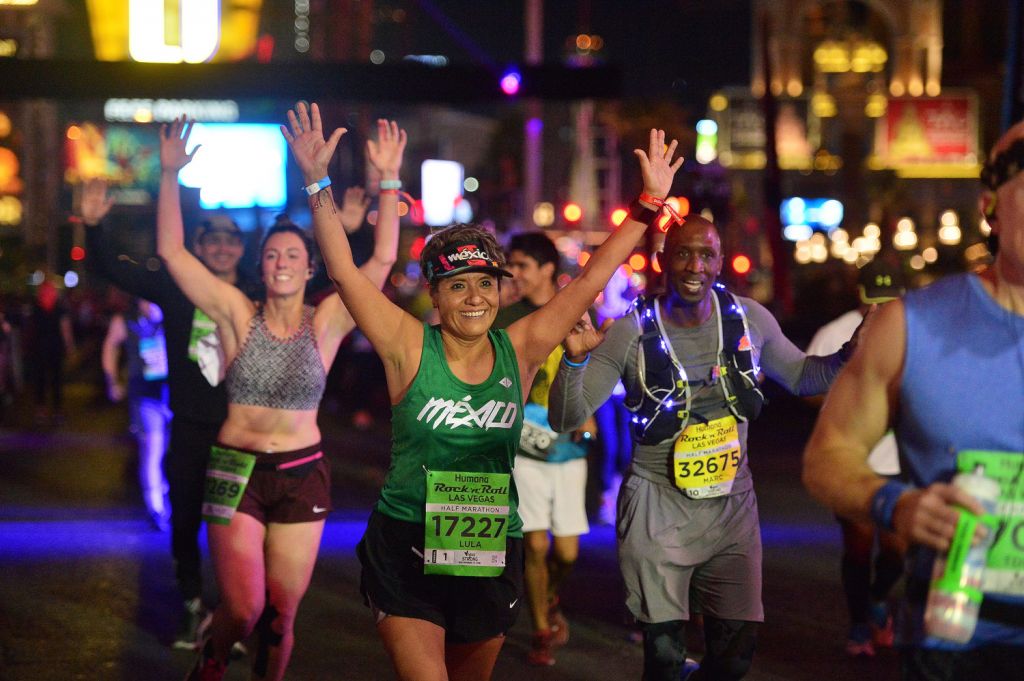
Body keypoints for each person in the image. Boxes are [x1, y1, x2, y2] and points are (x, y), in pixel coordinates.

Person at [284, 100, 682, 681]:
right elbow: (345, 272)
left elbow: (594, 275)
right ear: (436, 296)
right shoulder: (406, 345)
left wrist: (649, 204)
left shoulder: (518, 348)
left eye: (487, 285)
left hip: (490, 551)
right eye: (459, 285)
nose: (475, 297)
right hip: (406, 548)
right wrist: (317, 180)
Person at [547, 215, 862, 681]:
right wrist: (575, 361)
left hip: (732, 509)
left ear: (719, 263)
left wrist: (849, 353)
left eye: (706, 254)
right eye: (683, 253)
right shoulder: (630, 331)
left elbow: (802, 377)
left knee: (735, 656)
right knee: (664, 659)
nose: (695, 265)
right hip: (657, 507)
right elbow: (566, 417)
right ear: (662, 261)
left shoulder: (749, 319)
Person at [153, 114, 403, 681]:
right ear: (260, 267)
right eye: (272, 255)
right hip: (235, 468)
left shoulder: (329, 321)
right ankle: (213, 658)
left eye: (293, 255)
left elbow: (382, 260)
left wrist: (388, 180)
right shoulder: (236, 314)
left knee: (282, 615)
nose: (282, 262)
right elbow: (171, 251)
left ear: (311, 266)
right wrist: (169, 175)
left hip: (301, 473)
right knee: (242, 610)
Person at [802, 123, 1024, 679]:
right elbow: (828, 457)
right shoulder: (911, 327)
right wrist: (896, 506)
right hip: (960, 643)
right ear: (991, 205)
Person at [80, 180, 259, 651]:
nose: (221, 247)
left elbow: (324, 282)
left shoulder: (259, 294)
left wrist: (352, 233)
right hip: (190, 427)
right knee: (185, 519)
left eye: (230, 240)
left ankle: (230, 613)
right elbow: (111, 271)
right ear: (197, 248)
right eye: (211, 239)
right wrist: (94, 225)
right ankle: (191, 604)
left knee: (238, 527)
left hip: (244, 434)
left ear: (241, 250)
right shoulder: (179, 289)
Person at [494, 231, 593, 666]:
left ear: (547, 269)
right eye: (510, 266)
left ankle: (550, 596)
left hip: (567, 445)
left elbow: (597, 366)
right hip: (521, 445)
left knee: (566, 552)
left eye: (522, 266)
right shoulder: (505, 318)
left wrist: (589, 411)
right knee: (534, 545)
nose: (514, 274)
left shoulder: (573, 312)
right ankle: (538, 629)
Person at [804, 258, 907, 657]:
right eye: (872, 301)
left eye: (887, 300)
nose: (878, 310)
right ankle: (860, 624)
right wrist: (841, 396)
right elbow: (808, 389)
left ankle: (879, 600)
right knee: (859, 547)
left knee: (898, 550)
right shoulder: (834, 333)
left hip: (898, 459)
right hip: (850, 460)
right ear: (860, 295)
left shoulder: (914, 332)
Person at [102, 296, 172, 531]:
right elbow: (110, 345)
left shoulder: (174, 314)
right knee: (152, 448)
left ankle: (165, 492)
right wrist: (112, 381)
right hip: (145, 396)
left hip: (176, 396)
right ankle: (156, 507)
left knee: (172, 451)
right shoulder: (126, 320)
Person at [24, 279, 75, 424]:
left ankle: (41, 410)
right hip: (55, 347)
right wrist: (69, 346)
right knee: (56, 378)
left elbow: (30, 328)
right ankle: (57, 410)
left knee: (40, 379)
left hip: (39, 347)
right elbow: (65, 329)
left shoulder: (35, 307)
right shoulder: (59, 308)